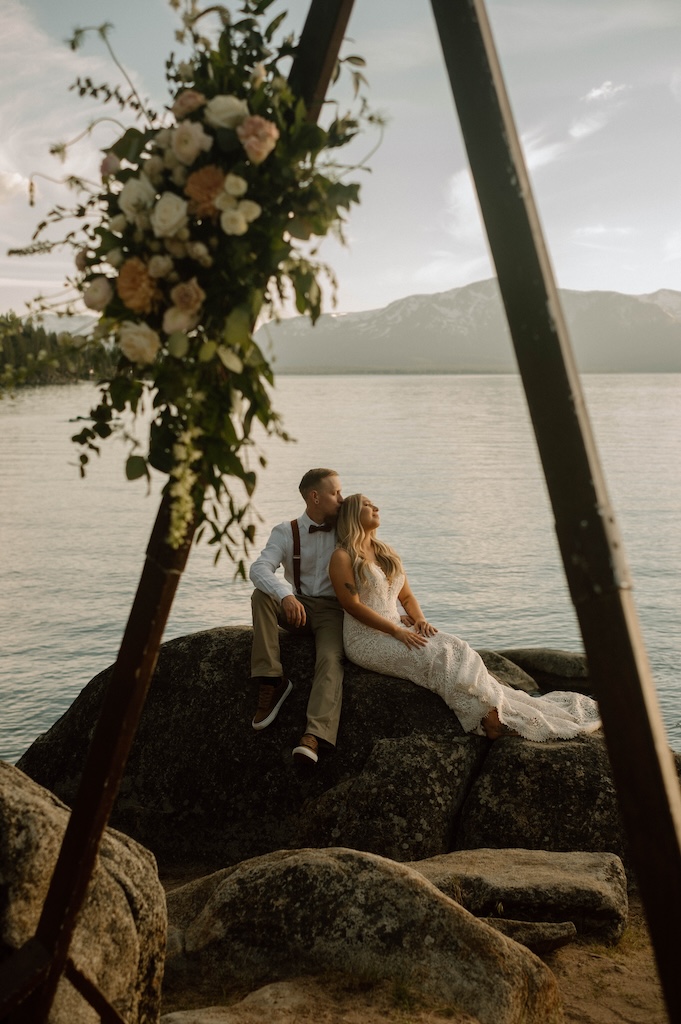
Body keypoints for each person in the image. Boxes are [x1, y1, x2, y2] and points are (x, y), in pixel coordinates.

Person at [329, 494, 602, 741]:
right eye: (366, 505)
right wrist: (396, 629)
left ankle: (496, 708)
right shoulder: (343, 556)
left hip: (398, 627)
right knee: (435, 659)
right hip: (368, 638)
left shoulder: (385, 552)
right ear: (353, 514)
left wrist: (419, 619)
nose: (375, 507)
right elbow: (352, 605)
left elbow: (407, 598)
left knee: (457, 647)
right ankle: (487, 721)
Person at [249, 468, 345, 764]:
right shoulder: (286, 531)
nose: (341, 499)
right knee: (261, 594)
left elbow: (376, 569)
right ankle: (271, 680)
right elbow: (259, 568)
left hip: (332, 611)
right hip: (298, 606)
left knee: (330, 658)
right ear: (314, 497)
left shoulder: (346, 529)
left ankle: (314, 736)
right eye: (335, 493)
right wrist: (286, 595)